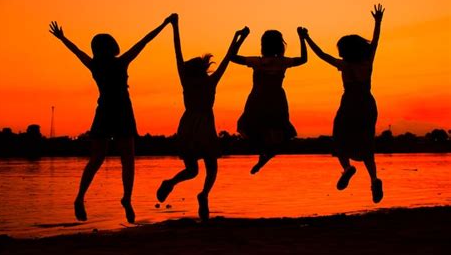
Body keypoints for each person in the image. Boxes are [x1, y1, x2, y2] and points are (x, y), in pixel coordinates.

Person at [49, 15, 175, 223]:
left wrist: (63, 38)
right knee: (127, 159)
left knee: (98, 158)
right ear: (111, 47)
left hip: (105, 110)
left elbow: (77, 52)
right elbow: (144, 41)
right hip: (122, 111)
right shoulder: (120, 62)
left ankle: (81, 197)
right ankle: (125, 198)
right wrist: (164, 24)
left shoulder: (95, 65)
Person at [156, 14, 249, 221]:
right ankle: (203, 194)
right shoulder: (210, 81)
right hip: (204, 126)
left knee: (192, 170)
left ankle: (172, 183)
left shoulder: (187, 80)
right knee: (210, 167)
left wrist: (175, 25)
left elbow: (177, 51)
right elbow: (227, 58)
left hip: (189, 125)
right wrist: (238, 39)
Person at [303, 4, 385, 203]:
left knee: (339, 138)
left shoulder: (344, 65)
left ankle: (347, 168)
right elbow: (375, 42)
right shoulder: (367, 63)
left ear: (345, 51)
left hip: (349, 105)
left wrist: (306, 38)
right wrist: (378, 21)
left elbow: (321, 55)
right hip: (366, 104)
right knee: (366, 144)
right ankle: (374, 180)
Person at [230, 28, 308, 174]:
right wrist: (302, 37)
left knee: (252, 129)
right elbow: (304, 59)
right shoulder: (283, 62)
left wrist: (242, 37)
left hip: (258, 99)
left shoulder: (257, 62)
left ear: (263, 45)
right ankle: (266, 154)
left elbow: (232, 56)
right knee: (278, 131)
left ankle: (263, 153)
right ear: (280, 45)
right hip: (276, 100)